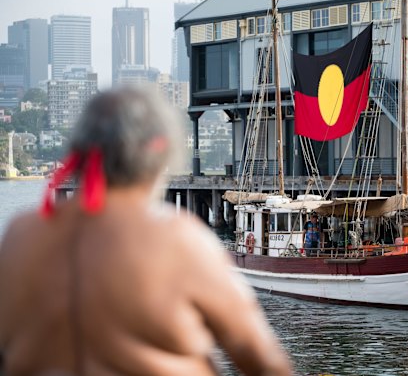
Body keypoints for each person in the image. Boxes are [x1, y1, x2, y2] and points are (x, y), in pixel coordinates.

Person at [0, 88, 292, 376]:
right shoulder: (180, 241)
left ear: (79, 151)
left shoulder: (19, 237)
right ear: (160, 152)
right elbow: (263, 360)